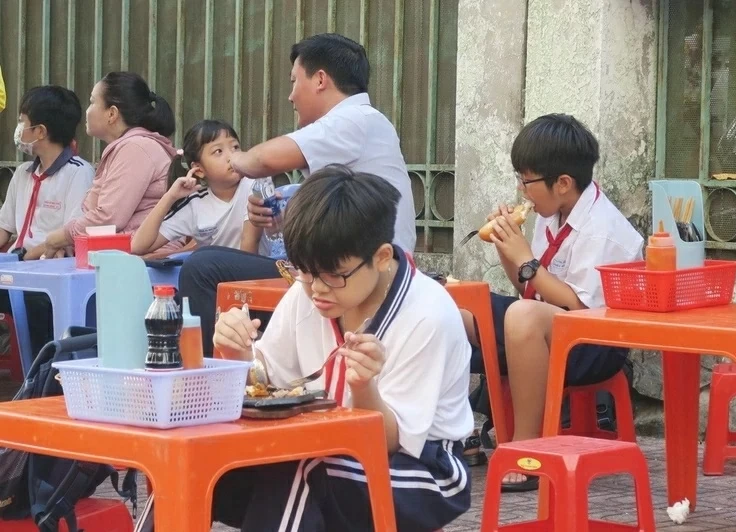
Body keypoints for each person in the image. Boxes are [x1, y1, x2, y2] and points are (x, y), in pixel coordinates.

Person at [208, 164, 472, 531]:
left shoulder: (427, 314)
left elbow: (388, 442)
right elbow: (268, 384)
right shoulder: (308, 292)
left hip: (425, 468)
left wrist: (364, 388)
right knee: (205, 460)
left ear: (381, 257)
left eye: (334, 275)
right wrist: (238, 353)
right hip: (328, 447)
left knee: (309, 467)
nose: (317, 288)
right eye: (304, 271)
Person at [179, 32, 416, 357]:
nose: (291, 96)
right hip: (338, 264)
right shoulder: (359, 126)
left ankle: (210, 378)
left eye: (294, 81)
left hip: (361, 269)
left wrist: (231, 159)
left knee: (203, 267)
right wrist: (277, 217)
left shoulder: (354, 120)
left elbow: (262, 160)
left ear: (320, 80)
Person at [463, 114, 644, 492]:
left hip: (595, 345)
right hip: (544, 326)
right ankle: (451, 433)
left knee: (522, 316)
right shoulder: (553, 214)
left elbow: (582, 310)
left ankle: (528, 448)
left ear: (562, 183)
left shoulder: (604, 230)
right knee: (459, 308)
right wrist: (508, 249)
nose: (521, 189)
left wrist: (527, 260)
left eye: (527, 181)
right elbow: (529, 288)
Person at [42, 72, 181, 257]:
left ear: (112, 113)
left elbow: (109, 218)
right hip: (125, 257)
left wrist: (59, 238)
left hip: (144, 261)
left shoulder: (136, 148)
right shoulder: (130, 146)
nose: (87, 110)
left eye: (92, 102)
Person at [0, 85, 94, 356]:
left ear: (39, 131)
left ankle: (41, 372)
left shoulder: (79, 173)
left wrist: (24, 258)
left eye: (22, 122)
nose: (18, 129)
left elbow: (69, 235)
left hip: (47, 271)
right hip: (14, 268)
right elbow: (4, 228)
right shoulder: (22, 173)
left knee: (34, 304)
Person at [131, 120, 256, 255]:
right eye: (218, 151)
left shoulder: (253, 185)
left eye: (235, 147)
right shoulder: (194, 204)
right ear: (199, 169)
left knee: (198, 259)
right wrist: (170, 197)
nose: (232, 156)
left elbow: (249, 247)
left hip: (249, 266)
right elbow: (138, 247)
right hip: (213, 268)